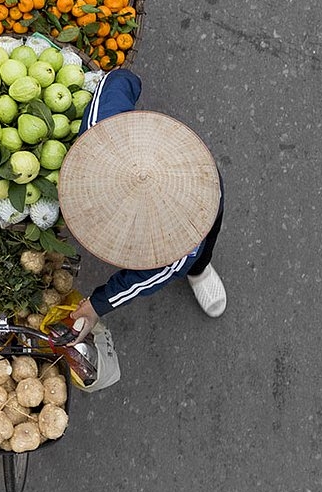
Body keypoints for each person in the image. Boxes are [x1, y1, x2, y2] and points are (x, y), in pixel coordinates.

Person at [57, 68, 227, 344]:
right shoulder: (98, 132)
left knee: (205, 243)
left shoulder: (185, 244)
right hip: (180, 162)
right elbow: (121, 80)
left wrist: (98, 305)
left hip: (205, 187)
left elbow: (145, 279)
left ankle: (199, 271)